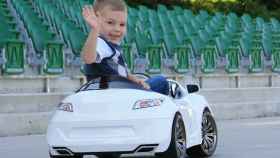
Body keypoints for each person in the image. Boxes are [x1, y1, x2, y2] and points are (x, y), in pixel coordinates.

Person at [82, 0, 168, 95]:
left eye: (122, 25)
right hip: (117, 95)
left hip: (122, 90)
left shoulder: (111, 47)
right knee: (161, 82)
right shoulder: (101, 43)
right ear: (97, 19)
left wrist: (135, 79)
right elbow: (88, 58)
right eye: (110, 23)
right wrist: (95, 29)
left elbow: (121, 71)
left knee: (154, 82)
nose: (117, 29)